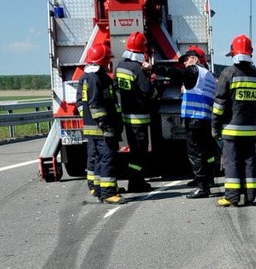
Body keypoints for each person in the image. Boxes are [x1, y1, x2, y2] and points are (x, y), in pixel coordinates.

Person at [211, 33, 256, 208]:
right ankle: (250, 196)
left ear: (233, 53)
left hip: (231, 130)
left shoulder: (228, 73)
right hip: (249, 129)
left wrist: (215, 126)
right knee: (249, 161)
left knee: (232, 162)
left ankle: (231, 197)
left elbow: (219, 104)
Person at [162, 45, 218, 198]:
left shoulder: (194, 71)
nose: (185, 64)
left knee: (195, 153)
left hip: (194, 118)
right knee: (203, 152)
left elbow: (176, 73)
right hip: (204, 118)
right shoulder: (209, 75)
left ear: (195, 59)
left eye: (186, 60)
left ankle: (202, 187)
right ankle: (206, 182)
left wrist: (156, 68)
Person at [77, 41, 123, 203]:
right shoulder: (97, 78)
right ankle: (108, 193)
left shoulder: (85, 77)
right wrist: (106, 125)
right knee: (107, 158)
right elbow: (96, 105)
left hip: (92, 128)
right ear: (103, 60)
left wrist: (88, 120)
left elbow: (81, 104)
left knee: (98, 158)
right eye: (107, 59)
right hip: (102, 128)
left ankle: (98, 189)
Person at [115, 31, 155, 193]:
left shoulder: (120, 66)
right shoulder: (137, 69)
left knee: (134, 150)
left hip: (127, 116)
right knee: (139, 152)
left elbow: (116, 86)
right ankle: (136, 182)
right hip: (140, 118)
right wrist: (150, 77)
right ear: (142, 49)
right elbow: (148, 92)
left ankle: (136, 181)